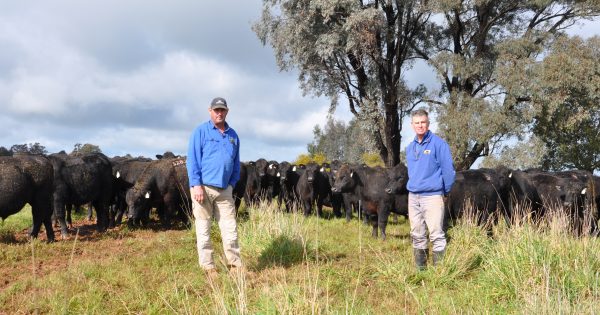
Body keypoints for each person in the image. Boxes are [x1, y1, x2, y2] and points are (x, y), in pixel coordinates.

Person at [187, 97, 242, 275]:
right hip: (203, 188)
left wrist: (232, 185)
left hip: (225, 190)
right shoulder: (200, 131)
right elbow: (193, 160)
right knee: (203, 229)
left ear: (227, 111)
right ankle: (208, 267)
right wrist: (196, 185)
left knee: (230, 229)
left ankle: (235, 265)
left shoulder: (233, 135)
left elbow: (236, 163)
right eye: (216, 110)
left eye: (222, 110)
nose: (219, 113)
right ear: (209, 111)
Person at [405, 108, 455, 270]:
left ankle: (439, 271)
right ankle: (421, 270)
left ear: (428, 123)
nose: (420, 126)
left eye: (423, 122)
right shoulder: (409, 148)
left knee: (436, 234)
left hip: (432, 196)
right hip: (413, 197)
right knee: (417, 233)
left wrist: (445, 192)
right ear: (412, 125)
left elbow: (448, 171)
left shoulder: (439, 144)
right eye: (417, 123)